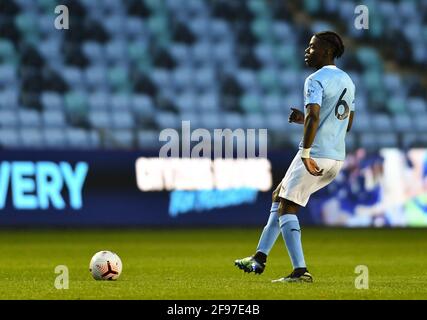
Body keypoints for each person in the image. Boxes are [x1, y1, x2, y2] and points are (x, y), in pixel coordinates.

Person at [235, 31, 355, 283]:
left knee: (288, 207)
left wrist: (307, 152)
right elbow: (347, 123)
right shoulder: (347, 81)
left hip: (316, 154)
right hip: (336, 157)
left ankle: (300, 271)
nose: (307, 51)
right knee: (279, 194)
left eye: (312, 47)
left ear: (327, 52)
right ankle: (259, 257)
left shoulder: (315, 79)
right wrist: (305, 120)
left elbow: (314, 116)